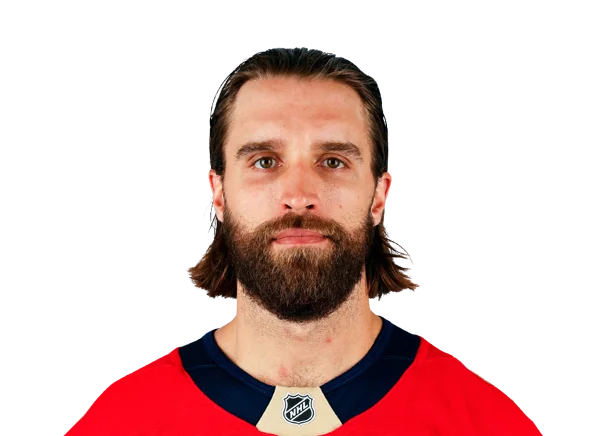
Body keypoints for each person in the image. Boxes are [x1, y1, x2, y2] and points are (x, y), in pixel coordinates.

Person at [65, 47, 541, 435]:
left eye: (333, 161)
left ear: (379, 196)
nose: (298, 195)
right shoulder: (119, 424)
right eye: (264, 161)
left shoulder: (487, 424)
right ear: (219, 195)